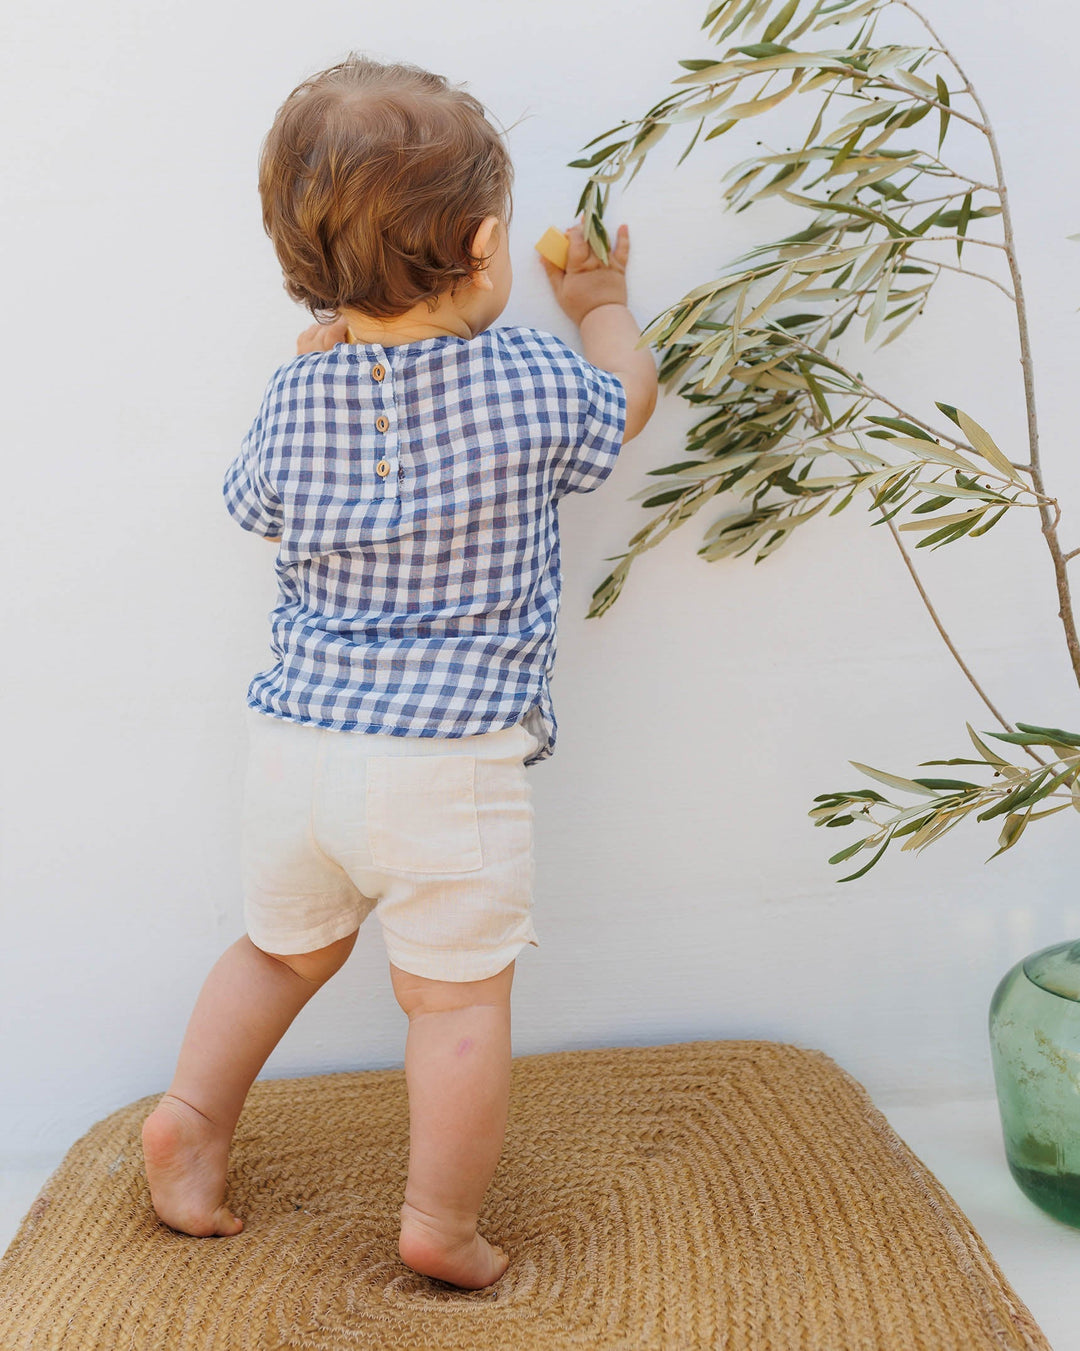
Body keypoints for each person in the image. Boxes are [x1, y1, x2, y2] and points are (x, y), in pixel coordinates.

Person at [141, 53, 658, 1292]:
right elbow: (624, 404)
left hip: (298, 753)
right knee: (456, 1007)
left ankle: (192, 1120)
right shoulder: (529, 377)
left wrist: (322, 350)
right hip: (447, 769)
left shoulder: (298, 390)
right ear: (485, 246)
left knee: (276, 951)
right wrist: (599, 305)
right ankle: (439, 1219)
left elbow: (253, 502)